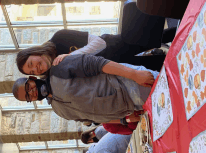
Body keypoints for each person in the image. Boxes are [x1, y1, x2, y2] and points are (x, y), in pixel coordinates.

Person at [12, 54, 159, 123]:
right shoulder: (58, 110)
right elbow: (92, 119)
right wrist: (123, 119)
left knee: (176, 89)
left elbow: (97, 63)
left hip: (130, 84)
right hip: (132, 106)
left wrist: (134, 74)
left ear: (32, 79)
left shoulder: (59, 68)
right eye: (27, 96)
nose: (32, 92)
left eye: (28, 87)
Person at [16, 29, 167, 77]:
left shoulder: (59, 37)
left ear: (35, 52)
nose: (36, 69)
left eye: (31, 64)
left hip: (116, 45)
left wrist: (70, 57)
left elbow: (100, 43)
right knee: (157, 65)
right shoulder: (56, 74)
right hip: (116, 67)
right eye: (32, 72)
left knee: (159, 37)